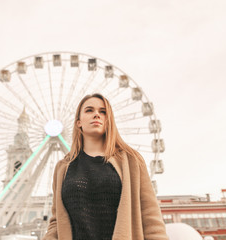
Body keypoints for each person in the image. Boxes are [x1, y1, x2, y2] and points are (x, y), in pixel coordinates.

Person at [42, 93, 168, 240]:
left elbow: (151, 217)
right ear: (78, 122)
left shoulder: (131, 161)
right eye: (89, 110)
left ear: (108, 121)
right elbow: (57, 222)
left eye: (103, 112)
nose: (97, 114)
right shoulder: (63, 168)